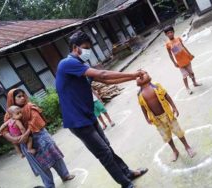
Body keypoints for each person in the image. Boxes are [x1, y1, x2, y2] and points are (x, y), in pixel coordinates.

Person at [55, 31, 148, 188]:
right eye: (85, 48)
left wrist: (133, 78)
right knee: (103, 153)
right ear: (74, 47)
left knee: (106, 146)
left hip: (88, 116)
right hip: (77, 121)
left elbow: (105, 80)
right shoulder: (67, 63)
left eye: (89, 48)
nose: (88, 51)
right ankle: (126, 183)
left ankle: (127, 173)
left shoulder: (81, 66)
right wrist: (133, 73)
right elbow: (103, 73)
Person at [1, 89, 75, 188]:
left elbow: (35, 121)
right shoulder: (9, 114)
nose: (22, 98)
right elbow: (4, 130)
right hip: (26, 143)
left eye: (23, 95)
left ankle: (65, 175)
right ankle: (49, 186)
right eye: (19, 96)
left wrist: (26, 134)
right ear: (12, 99)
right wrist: (13, 139)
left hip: (40, 138)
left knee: (55, 157)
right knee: (40, 166)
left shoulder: (30, 107)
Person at [136, 71, 195, 162]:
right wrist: (146, 117)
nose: (140, 76)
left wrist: (174, 107)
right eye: (138, 76)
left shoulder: (156, 85)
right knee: (166, 136)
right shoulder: (139, 94)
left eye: (142, 74)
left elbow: (166, 96)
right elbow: (143, 107)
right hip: (157, 120)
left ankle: (187, 147)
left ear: (149, 75)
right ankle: (175, 151)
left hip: (168, 115)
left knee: (178, 131)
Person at [164, 25, 201, 95]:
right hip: (179, 62)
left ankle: (194, 83)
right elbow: (170, 54)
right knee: (184, 76)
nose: (170, 34)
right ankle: (187, 88)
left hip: (186, 58)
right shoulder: (168, 44)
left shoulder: (178, 39)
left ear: (173, 32)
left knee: (191, 73)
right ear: (166, 35)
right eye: (168, 33)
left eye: (171, 32)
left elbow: (183, 47)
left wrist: (190, 54)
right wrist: (174, 63)